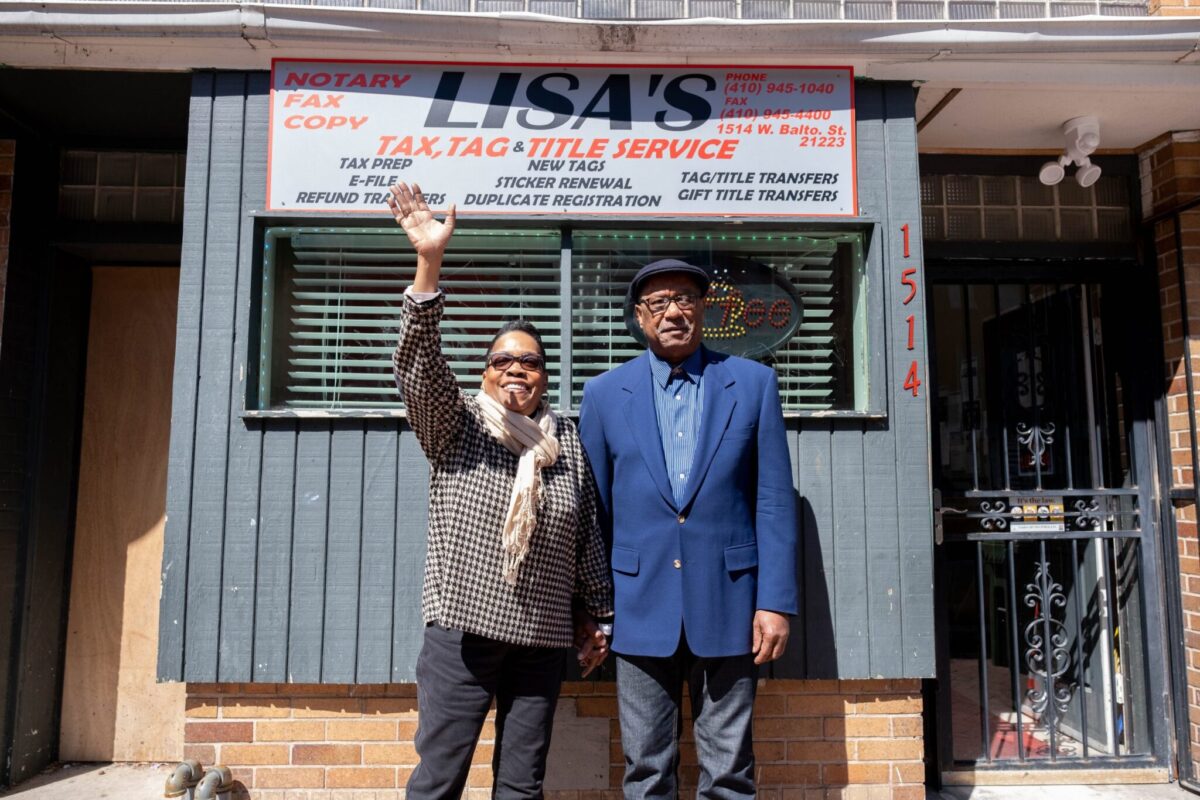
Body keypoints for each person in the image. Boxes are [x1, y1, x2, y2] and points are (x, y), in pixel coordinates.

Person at [387, 181, 613, 800]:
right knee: (440, 778)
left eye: (532, 360)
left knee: (521, 783)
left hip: (541, 637)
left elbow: (584, 532)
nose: (517, 367)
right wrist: (428, 264)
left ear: (545, 376)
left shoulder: (562, 439)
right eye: (503, 359)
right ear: (485, 372)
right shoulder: (454, 422)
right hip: (462, 630)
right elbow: (418, 366)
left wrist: (598, 617)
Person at [578, 258, 799, 799]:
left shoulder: (752, 383)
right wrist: (592, 608)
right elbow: (592, 512)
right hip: (637, 605)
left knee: (729, 770)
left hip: (730, 601)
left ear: (703, 310)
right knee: (647, 770)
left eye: (686, 300)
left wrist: (775, 602)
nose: (674, 312)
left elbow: (772, 500)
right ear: (639, 317)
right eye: (659, 303)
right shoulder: (605, 395)